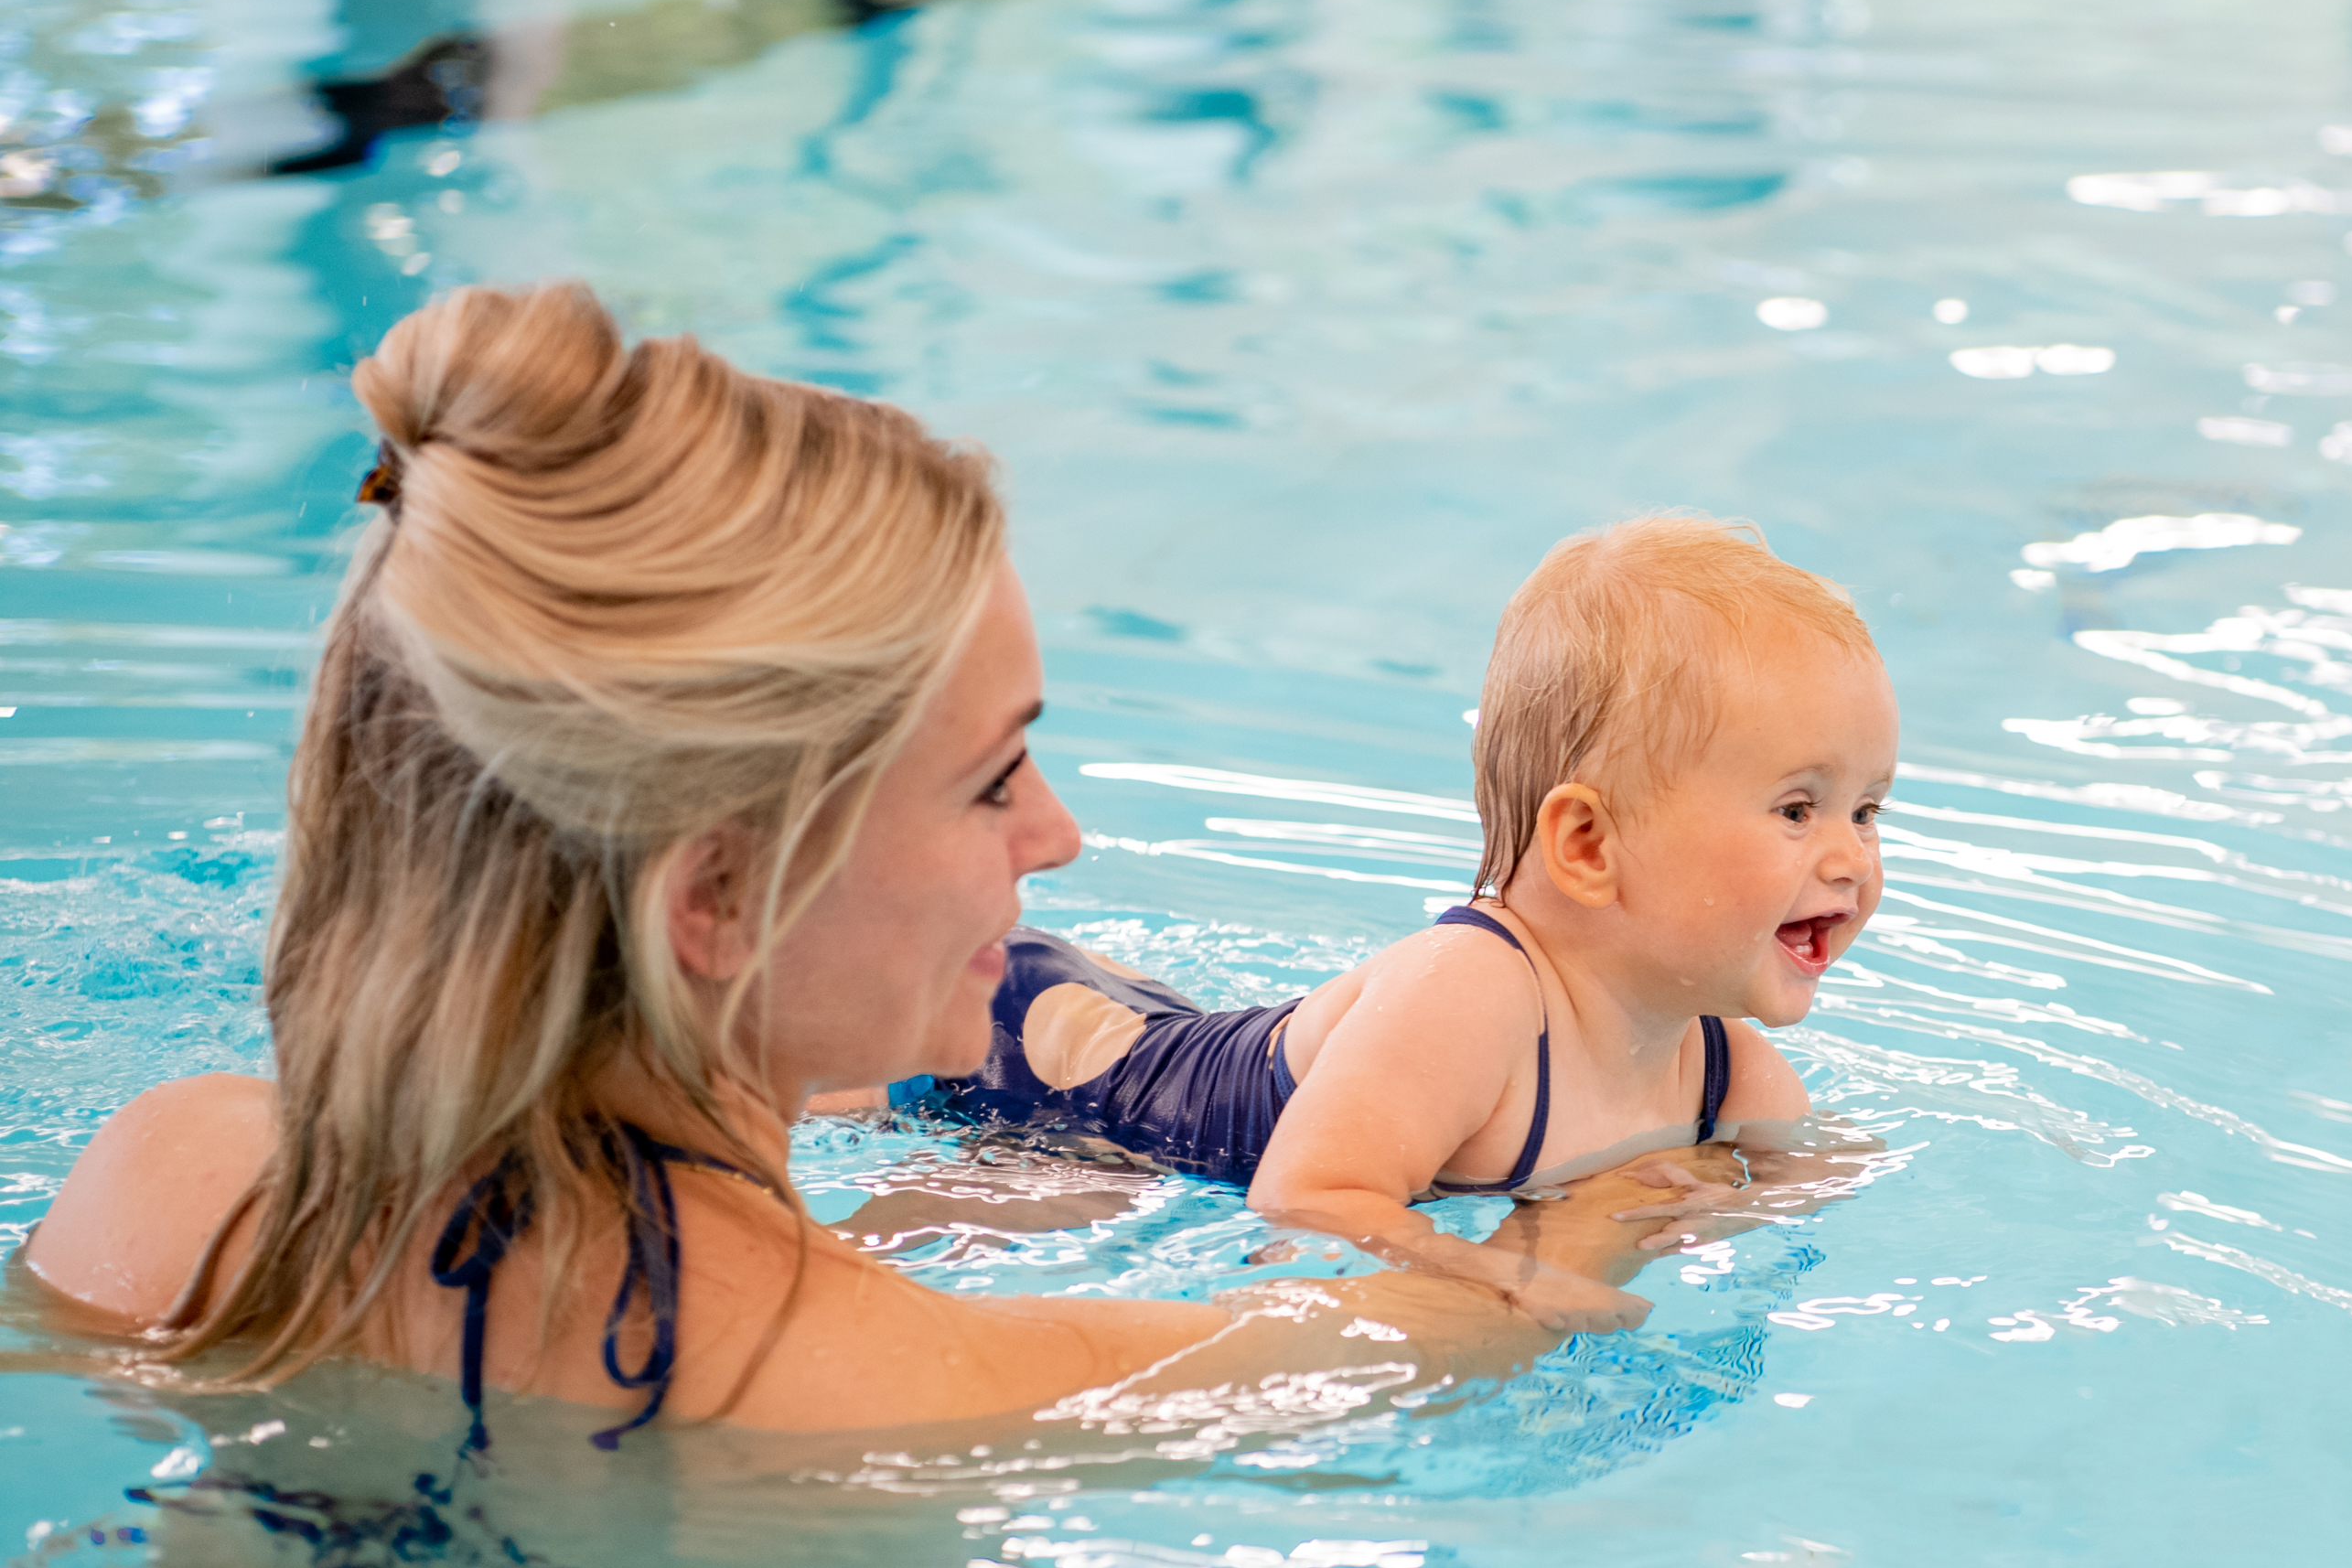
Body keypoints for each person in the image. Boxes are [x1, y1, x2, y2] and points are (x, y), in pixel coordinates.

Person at [16, 280, 1691, 1446]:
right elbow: (1461, 1335)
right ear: (717, 899)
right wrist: (1630, 1184)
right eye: (991, 779)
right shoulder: (884, 1370)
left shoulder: (174, 1186)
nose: (1058, 834)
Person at [854, 516, 1898, 1316]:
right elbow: (1308, 1197)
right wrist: (1502, 1279)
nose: (1850, 857)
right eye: (1797, 809)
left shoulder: (1725, 1066)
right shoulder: (1475, 990)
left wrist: (1725, 1204)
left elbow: (1827, 1175)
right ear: (1586, 844)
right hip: (1044, 1071)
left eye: (1866, 809)